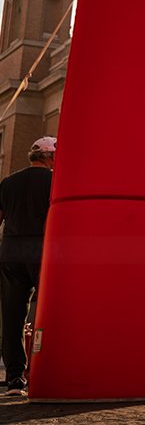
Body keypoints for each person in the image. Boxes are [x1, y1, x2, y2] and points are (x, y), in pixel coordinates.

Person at [0, 136, 56, 396]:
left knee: (12, 317)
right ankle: (48, 372)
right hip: (41, 252)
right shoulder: (54, 181)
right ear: (50, 157)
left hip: (10, 253)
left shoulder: (8, 182)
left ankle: (14, 379)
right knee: (51, 312)